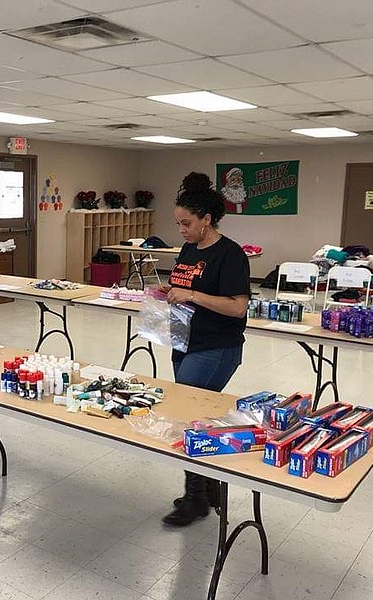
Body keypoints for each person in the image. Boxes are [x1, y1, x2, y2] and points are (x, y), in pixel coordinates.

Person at [160, 172, 251, 527]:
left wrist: (192, 295)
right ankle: (208, 488)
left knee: (187, 417)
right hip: (185, 342)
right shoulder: (188, 248)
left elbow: (237, 307)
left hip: (216, 347)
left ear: (207, 220)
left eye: (186, 223)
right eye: (178, 223)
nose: (181, 230)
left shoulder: (230, 255)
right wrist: (166, 294)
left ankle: (196, 498)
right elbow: (180, 285)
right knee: (194, 415)